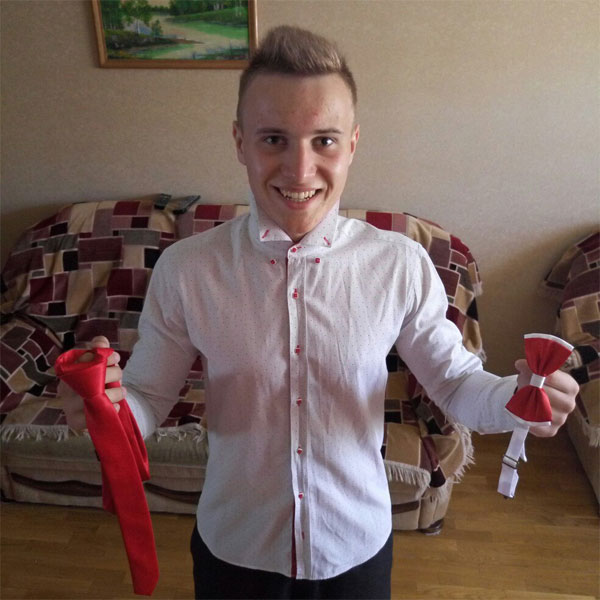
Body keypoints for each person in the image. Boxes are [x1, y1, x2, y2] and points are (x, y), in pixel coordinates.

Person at [61, 25, 579, 600]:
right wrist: (104, 406)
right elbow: (147, 399)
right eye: (274, 139)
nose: (300, 169)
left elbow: (456, 384)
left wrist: (517, 398)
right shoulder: (187, 269)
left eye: (324, 141)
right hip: (235, 551)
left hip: (356, 550)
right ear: (240, 142)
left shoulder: (400, 264)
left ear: (352, 144)